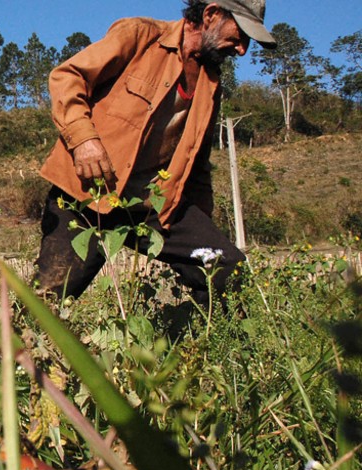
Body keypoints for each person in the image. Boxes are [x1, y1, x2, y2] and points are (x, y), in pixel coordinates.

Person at [33, 0, 276, 306]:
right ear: (211, 14)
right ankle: (13, 349)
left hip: (153, 207)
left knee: (228, 267)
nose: (242, 49)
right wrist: (83, 140)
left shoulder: (210, 84)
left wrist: (203, 227)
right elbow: (67, 76)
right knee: (49, 300)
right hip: (88, 193)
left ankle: (195, 347)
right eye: (240, 33)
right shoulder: (141, 36)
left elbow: (197, 163)